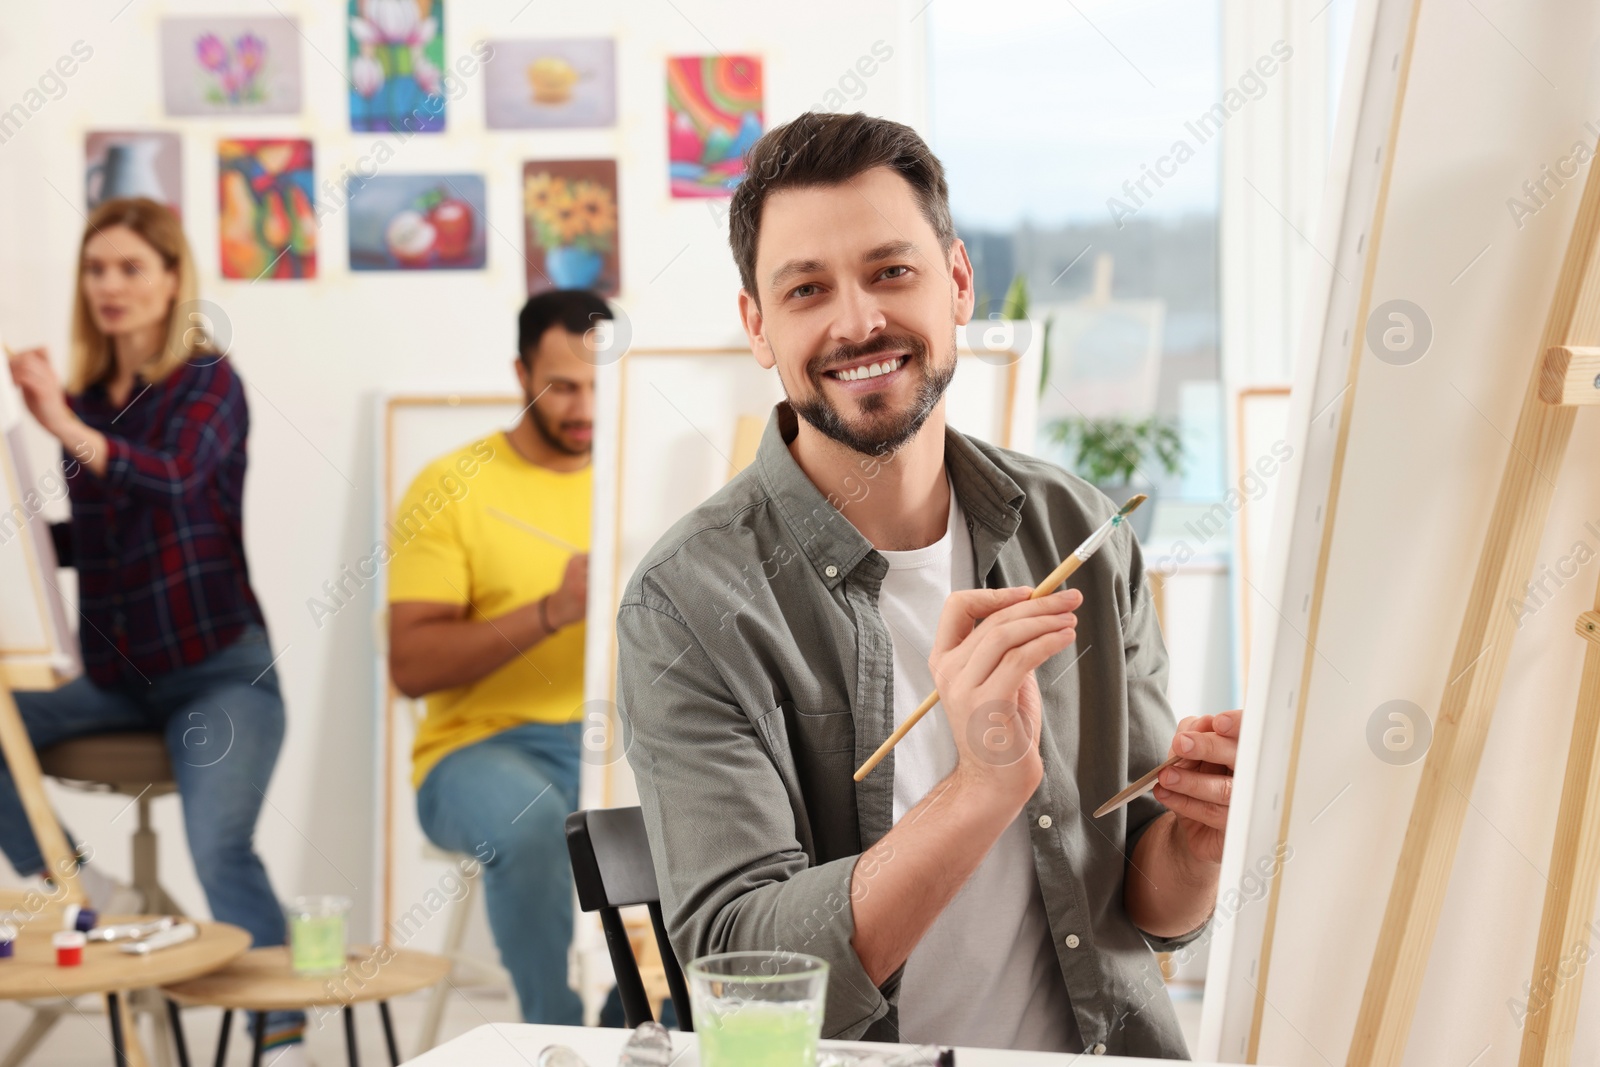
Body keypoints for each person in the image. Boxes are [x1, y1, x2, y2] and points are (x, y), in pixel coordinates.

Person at [614, 112, 1242, 1056]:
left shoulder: (1079, 527)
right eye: (806, 289)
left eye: (891, 271)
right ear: (757, 327)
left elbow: (1143, 906)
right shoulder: (690, 603)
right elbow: (744, 986)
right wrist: (983, 782)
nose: (858, 319)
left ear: (957, 282)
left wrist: (1197, 843)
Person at [2, 197, 306, 1059]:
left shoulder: (208, 383)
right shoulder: (90, 398)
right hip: (111, 678)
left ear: (174, 279)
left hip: (219, 671)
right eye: (97, 268)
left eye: (131, 267)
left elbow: (170, 483)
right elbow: (97, 533)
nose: (110, 285)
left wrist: (57, 422)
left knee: (219, 847)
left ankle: (278, 1033)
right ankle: (82, 888)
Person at [387, 289, 606, 1024]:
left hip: (607, 743)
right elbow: (410, 664)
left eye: (600, 385)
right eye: (564, 386)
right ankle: (560, 1033)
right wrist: (552, 610)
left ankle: (642, 1030)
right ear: (521, 375)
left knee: (710, 814)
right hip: (473, 750)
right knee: (531, 823)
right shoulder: (451, 487)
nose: (585, 407)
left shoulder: (630, 475)